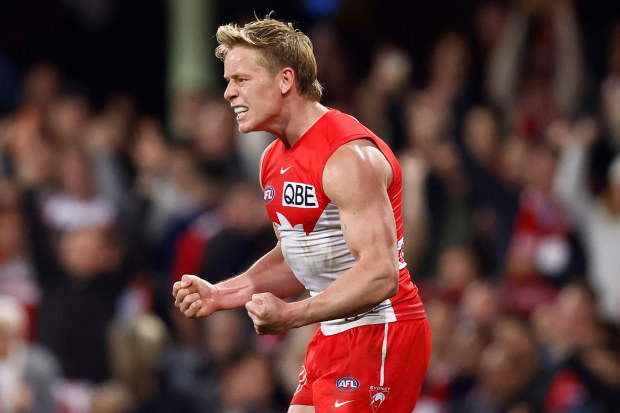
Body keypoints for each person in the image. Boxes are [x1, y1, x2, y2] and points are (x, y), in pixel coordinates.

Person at [172, 14, 431, 412]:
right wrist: (222, 293)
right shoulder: (271, 160)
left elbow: (382, 274)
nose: (227, 93)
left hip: (381, 335)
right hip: (332, 334)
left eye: (240, 80)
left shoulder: (347, 158)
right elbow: (300, 257)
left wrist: (292, 315)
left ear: (285, 81)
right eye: (227, 81)